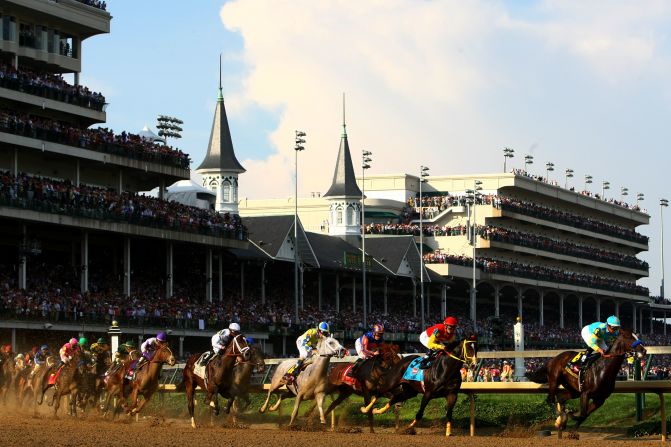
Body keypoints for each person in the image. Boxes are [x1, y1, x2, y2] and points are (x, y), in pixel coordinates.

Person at [579, 315, 620, 384]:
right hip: (588, 332)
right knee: (594, 347)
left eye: (617, 328)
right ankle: (582, 362)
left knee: (607, 351)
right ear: (608, 325)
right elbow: (591, 343)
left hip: (600, 337)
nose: (615, 330)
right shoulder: (600, 329)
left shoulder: (615, 331)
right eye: (614, 328)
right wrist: (600, 350)